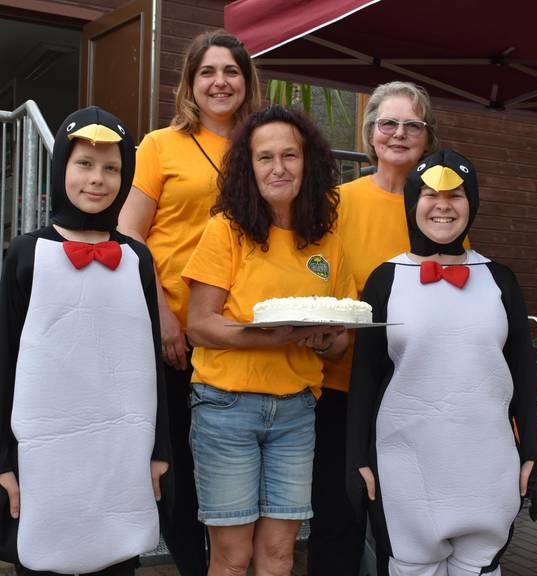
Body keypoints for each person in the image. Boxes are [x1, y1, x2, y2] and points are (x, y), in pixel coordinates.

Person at [347, 149, 537, 576]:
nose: (442, 205)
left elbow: (523, 377)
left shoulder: (500, 280)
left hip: (487, 467)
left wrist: (534, 452)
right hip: (407, 468)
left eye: (456, 195)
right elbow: (364, 377)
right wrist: (355, 459)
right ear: (412, 202)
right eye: (429, 195)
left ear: (471, 202)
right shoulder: (385, 279)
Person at [182, 105, 356, 576]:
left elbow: (341, 340)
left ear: (309, 163)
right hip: (226, 408)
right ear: (248, 167)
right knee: (232, 557)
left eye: (289, 156)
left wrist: (322, 341)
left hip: (297, 412)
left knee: (279, 555)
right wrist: (269, 338)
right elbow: (199, 325)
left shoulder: (327, 241)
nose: (278, 168)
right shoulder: (226, 231)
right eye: (265, 158)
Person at [0, 106, 170, 575]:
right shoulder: (26, 254)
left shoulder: (136, 257)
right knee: (43, 556)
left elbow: (152, 361)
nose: (97, 179)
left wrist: (159, 451)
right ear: (61, 168)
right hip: (45, 451)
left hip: (120, 449)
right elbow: (4, 358)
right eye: (84, 164)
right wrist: (3, 460)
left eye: (111, 168)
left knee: (116, 558)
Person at [118, 29, 260, 576]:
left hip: (243, 336)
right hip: (175, 334)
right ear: (190, 83)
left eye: (230, 71)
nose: (220, 82)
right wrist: (164, 317)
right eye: (208, 72)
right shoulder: (160, 146)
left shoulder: (261, 145)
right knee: (177, 466)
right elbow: (131, 235)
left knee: (231, 471)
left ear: (247, 83)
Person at [308, 81, 441, 576]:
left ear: (427, 138)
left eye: (413, 125)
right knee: (337, 520)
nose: (399, 134)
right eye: (388, 123)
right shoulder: (336, 203)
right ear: (370, 134)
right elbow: (316, 274)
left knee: (402, 523)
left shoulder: (441, 207)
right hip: (339, 388)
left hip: (410, 393)